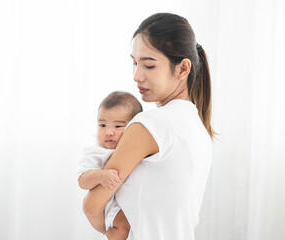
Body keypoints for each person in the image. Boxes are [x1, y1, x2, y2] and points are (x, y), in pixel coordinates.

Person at [82, 12, 215, 240]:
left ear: (183, 68)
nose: (136, 75)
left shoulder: (151, 124)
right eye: (134, 62)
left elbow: (91, 206)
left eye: (149, 65)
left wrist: (114, 229)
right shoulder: (199, 127)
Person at [78, 91, 143, 239]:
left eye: (118, 126)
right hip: (111, 207)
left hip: (134, 204)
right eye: (102, 125)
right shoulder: (96, 152)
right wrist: (100, 176)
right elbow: (82, 180)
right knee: (122, 227)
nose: (108, 132)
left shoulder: (137, 147)